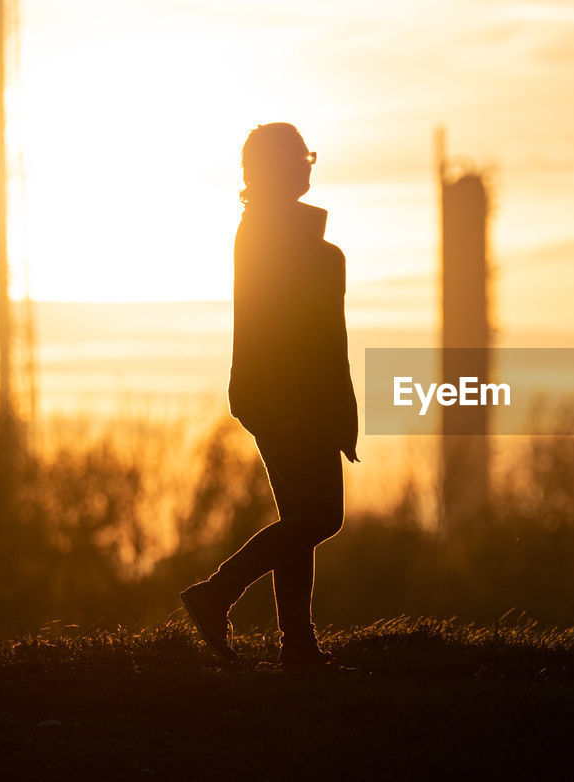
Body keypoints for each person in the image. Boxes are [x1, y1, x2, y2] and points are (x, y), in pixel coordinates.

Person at [181, 122, 359, 668]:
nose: (308, 166)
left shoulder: (274, 230)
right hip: (290, 398)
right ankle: (217, 593)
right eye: (298, 158)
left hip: (287, 396)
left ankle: (298, 645)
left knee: (300, 516)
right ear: (277, 170)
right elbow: (288, 322)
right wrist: (299, 405)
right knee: (321, 517)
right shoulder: (269, 232)